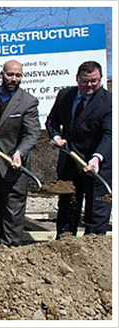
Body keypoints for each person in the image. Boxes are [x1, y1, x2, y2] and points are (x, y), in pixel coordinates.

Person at [0, 60, 40, 246]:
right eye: (10, 74)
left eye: (18, 75)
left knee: (13, 210)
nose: (13, 78)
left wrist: (20, 152)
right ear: (1, 74)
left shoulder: (28, 101)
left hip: (14, 164)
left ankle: (10, 249)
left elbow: (31, 133)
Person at [46, 60, 112, 237]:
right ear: (77, 79)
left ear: (100, 79)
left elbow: (110, 134)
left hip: (98, 166)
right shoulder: (65, 95)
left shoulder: (109, 102)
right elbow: (52, 121)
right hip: (70, 163)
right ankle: (65, 248)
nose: (90, 85)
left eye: (94, 81)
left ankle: (92, 253)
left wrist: (97, 157)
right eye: (85, 81)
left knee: (96, 212)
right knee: (67, 209)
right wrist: (56, 136)